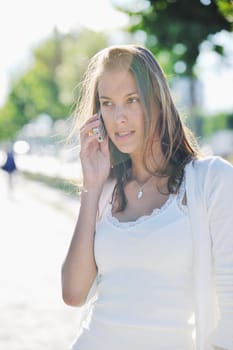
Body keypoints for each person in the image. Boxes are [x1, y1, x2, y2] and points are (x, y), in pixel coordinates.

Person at [61, 45, 233, 350]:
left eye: (132, 100)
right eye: (107, 104)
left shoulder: (212, 181)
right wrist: (91, 185)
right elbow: (74, 293)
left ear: (157, 101)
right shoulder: (104, 190)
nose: (119, 118)